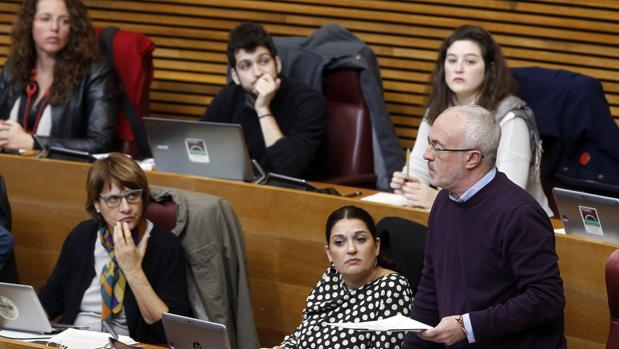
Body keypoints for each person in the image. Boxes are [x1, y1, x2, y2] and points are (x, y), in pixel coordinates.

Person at [402, 105, 565, 348]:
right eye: (429, 143)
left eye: (437, 147)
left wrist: (469, 327)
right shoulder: (444, 202)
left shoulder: (519, 214)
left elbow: (546, 298)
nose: (427, 154)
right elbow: (431, 286)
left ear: (472, 158)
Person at [390, 25, 552, 216]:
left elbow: (509, 193)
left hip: (515, 223)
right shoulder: (437, 109)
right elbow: (419, 167)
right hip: (458, 216)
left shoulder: (511, 116)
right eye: (451, 60)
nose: (458, 68)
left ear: (489, 68)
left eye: (470, 61)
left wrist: (435, 199)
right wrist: (410, 185)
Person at [39, 153, 192, 344]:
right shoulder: (82, 236)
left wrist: (133, 269)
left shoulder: (165, 246)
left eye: (133, 196)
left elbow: (172, 333)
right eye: (113, 199)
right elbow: (53, 297)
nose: (126, 207)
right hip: (74, 339)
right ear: (96, 204)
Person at [263, 205, 413, 349]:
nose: (351, 249)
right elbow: (304, 332)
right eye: (340, 242)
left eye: (360, 239)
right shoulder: (332, 276)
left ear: (377, 246)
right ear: (329, 253)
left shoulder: (392, 288)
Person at [201, 22, 327, 179]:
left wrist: (263, 110)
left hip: (291, 193)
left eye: (263, 61)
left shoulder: (309, 102)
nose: (257, 72)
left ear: (277, 64)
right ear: (235, 76)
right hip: (240, 188)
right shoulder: (227, 98)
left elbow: (290, 170)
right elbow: (200, 150)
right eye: (246, 66)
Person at [0, 0, 117, 153]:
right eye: (45, 19)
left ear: (74, 28)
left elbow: (100, 143)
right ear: (29, 24)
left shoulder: (96, 73)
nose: (54, 28)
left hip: (61, 172)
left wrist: (32, 142)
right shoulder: (13, 69)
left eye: (65, 21)